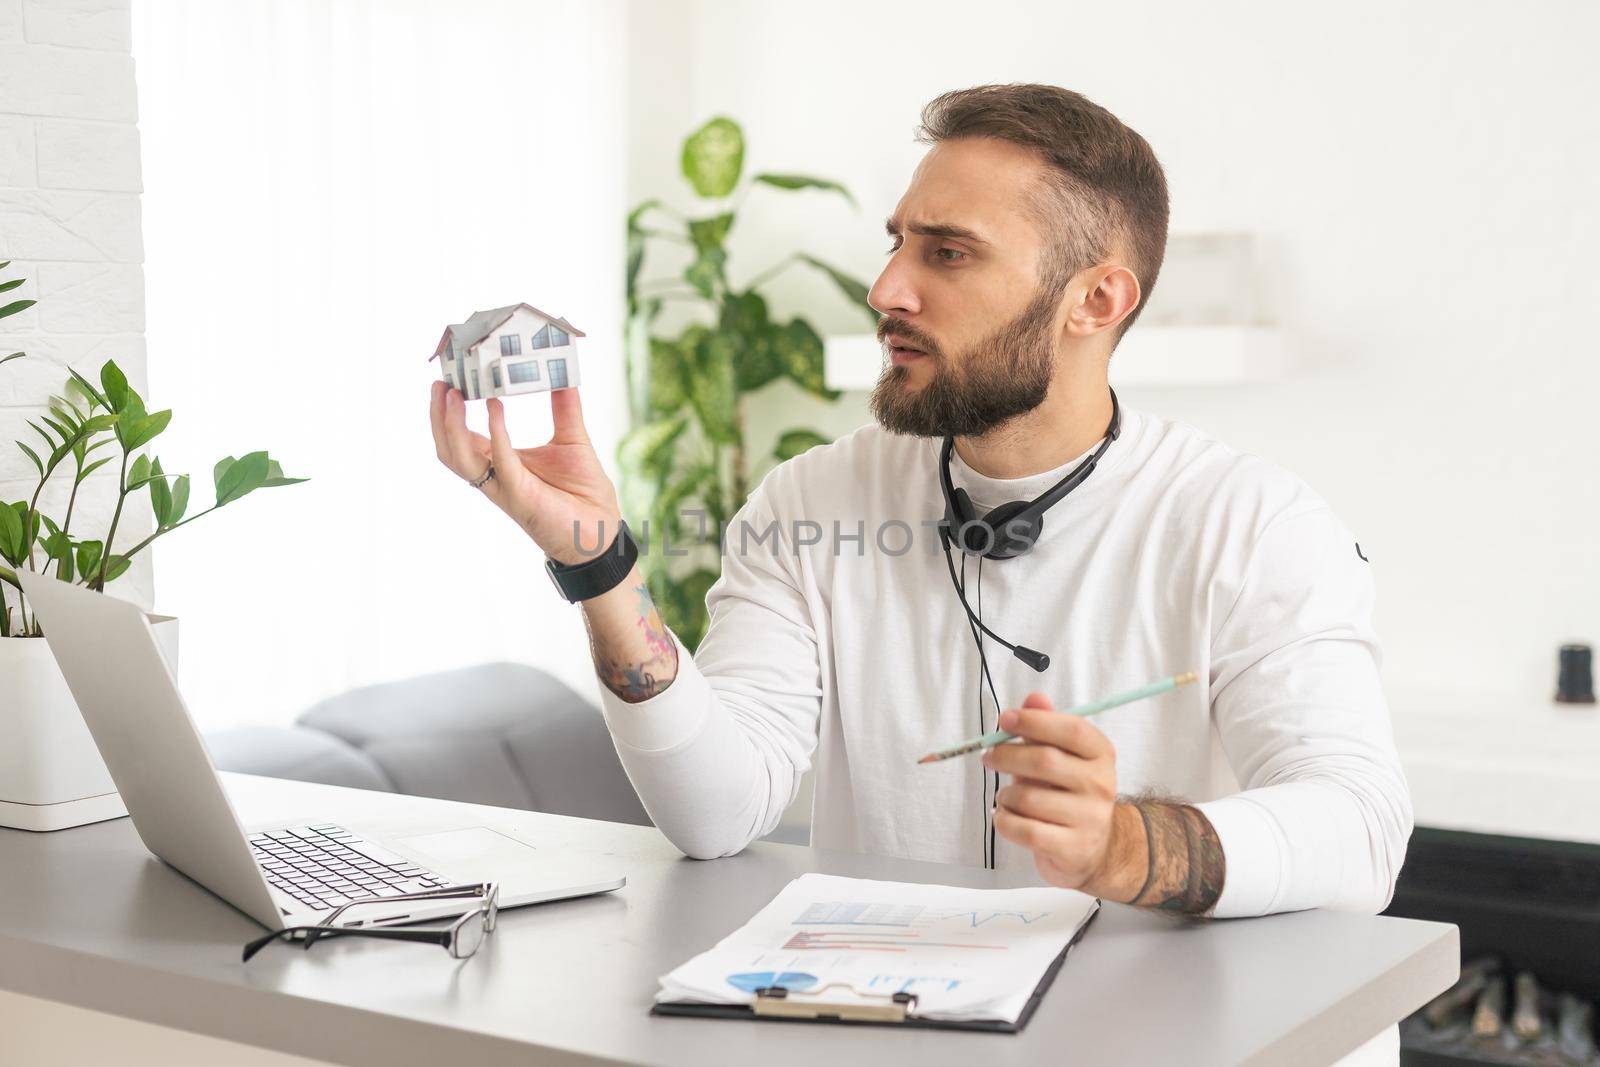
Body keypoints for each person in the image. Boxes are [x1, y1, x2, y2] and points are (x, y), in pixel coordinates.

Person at [427, 84, 1411, 924]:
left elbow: (1361, 832)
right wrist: (602, 566)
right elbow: (715, 812)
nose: (885, 287)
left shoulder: (1255, 526)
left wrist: (1123, 845)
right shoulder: (810, 499)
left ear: (1095, 301)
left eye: (947, 253)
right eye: (898, 242)